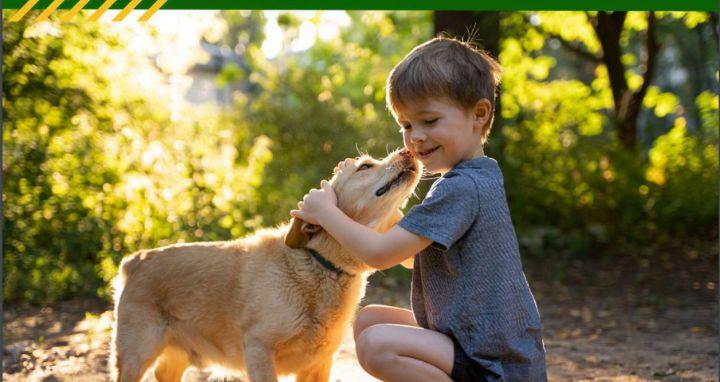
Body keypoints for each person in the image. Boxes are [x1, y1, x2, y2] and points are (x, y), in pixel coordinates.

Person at [290, 36, 547, 382]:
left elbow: (381, 255)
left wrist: (326, 214)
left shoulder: (460, 188)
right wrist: (358, 193)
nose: (417, 138)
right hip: (478, 343)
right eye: (407, 126)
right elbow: (413, 255)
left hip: (492, 364)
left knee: (377, 345)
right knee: (369, 321)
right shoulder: (477, 176)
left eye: (429, 121)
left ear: (479, 114)